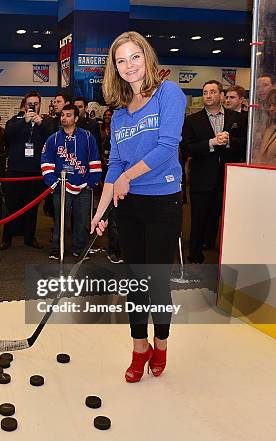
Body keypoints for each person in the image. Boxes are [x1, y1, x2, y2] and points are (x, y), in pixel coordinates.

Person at [91, 31, 187, 383]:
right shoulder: (118, 115)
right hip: (129, 205)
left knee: (156, 281)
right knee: (134, 283)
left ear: (147, 58)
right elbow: (114, 166)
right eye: (121, 60)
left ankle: (161, 343)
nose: (129, 65)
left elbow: (167, 147)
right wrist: (99, 211)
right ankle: (139, 347)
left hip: (163, 200)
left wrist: (129, 177)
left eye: (135, 57)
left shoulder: (168, 94)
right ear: (113, 68)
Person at [181, 80, 244, 263]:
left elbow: (246, 143)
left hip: (227, 177)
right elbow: (187, 148)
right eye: (205, 92)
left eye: (212, 92)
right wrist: (211, 143)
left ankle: (213, 245)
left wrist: (230, 140)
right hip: (202, 177)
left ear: (221, 95)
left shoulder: (237, 118)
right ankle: (194, 254)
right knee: (198, 216)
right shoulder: (192, 120)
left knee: (220, 215)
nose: (208, 95)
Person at [41, 104, 101, 260]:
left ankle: (79, 248)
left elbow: (94, 159)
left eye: (68, 115)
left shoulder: (88, 137)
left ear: (76, 118)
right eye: (62, 115)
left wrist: (92, 182)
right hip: (61, 186)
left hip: (84, 186)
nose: (64, 118)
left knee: (82, 220)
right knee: (60, 219)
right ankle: (56, 248)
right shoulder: (53, 139)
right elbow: (46, 161)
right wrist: (53, 182)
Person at [0, 91, 52, 251]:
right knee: (11, 208)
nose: (33, 106)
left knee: (32, 208)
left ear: (40, 105)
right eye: (30, 103)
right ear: (24, 105)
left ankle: (30, 237)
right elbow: (7, 136)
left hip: (35, 173)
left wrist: (40, 124)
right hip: (15, 172)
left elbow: (51, 139)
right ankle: (6, 239)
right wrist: (25, 121)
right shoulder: (15, 121)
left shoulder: (45, 122)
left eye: (36, 103)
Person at [99, 108, 123, 264]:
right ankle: (114, 250)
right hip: (113, 184)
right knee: (113, 220)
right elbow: (110, 161)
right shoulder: (110, 138)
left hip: (135, 186)